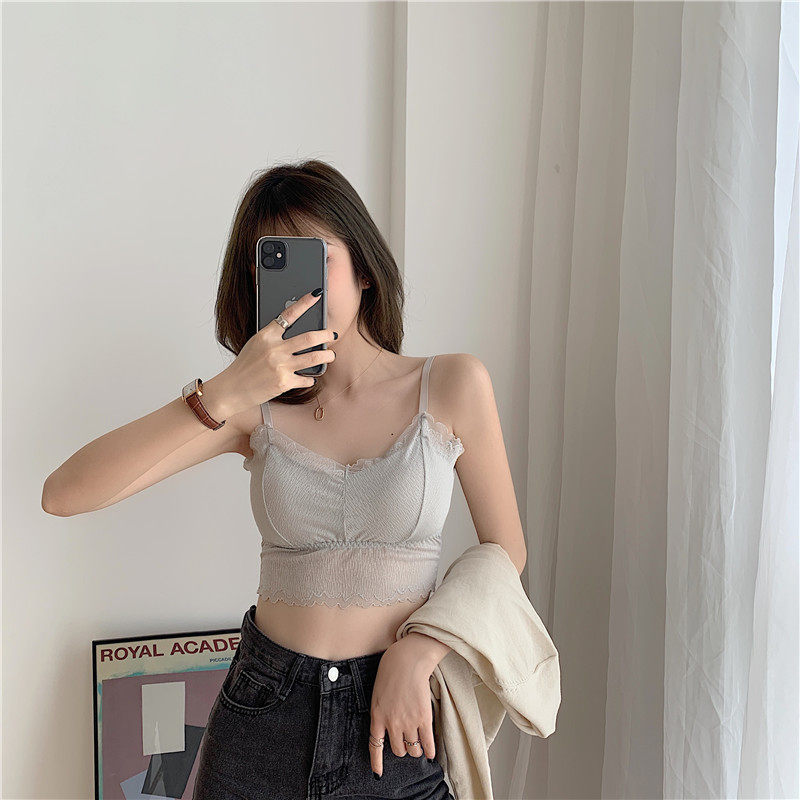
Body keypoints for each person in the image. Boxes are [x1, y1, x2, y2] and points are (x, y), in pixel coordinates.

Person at [42, 159, 528, 800]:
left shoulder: (452, 385)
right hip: (263, 714)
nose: (297, 289)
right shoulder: (252, 410)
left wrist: (422, 648)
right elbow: (65, 493)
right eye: (270, 266)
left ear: (363, 268)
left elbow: (506, 552)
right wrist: (222, 392)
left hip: (395, 719)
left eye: (314, 258)